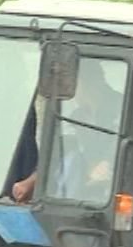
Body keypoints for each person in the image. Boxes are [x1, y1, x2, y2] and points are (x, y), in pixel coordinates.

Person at [8, 59, 124, 203]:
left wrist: (107, 163)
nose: (66, 92)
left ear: (81, 82)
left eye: (67, 85)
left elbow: (126, 145)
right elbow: (59, 151)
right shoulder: (77, 116)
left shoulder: (122, 109)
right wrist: (32, 181)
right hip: (81, 191)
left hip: (112, 192)